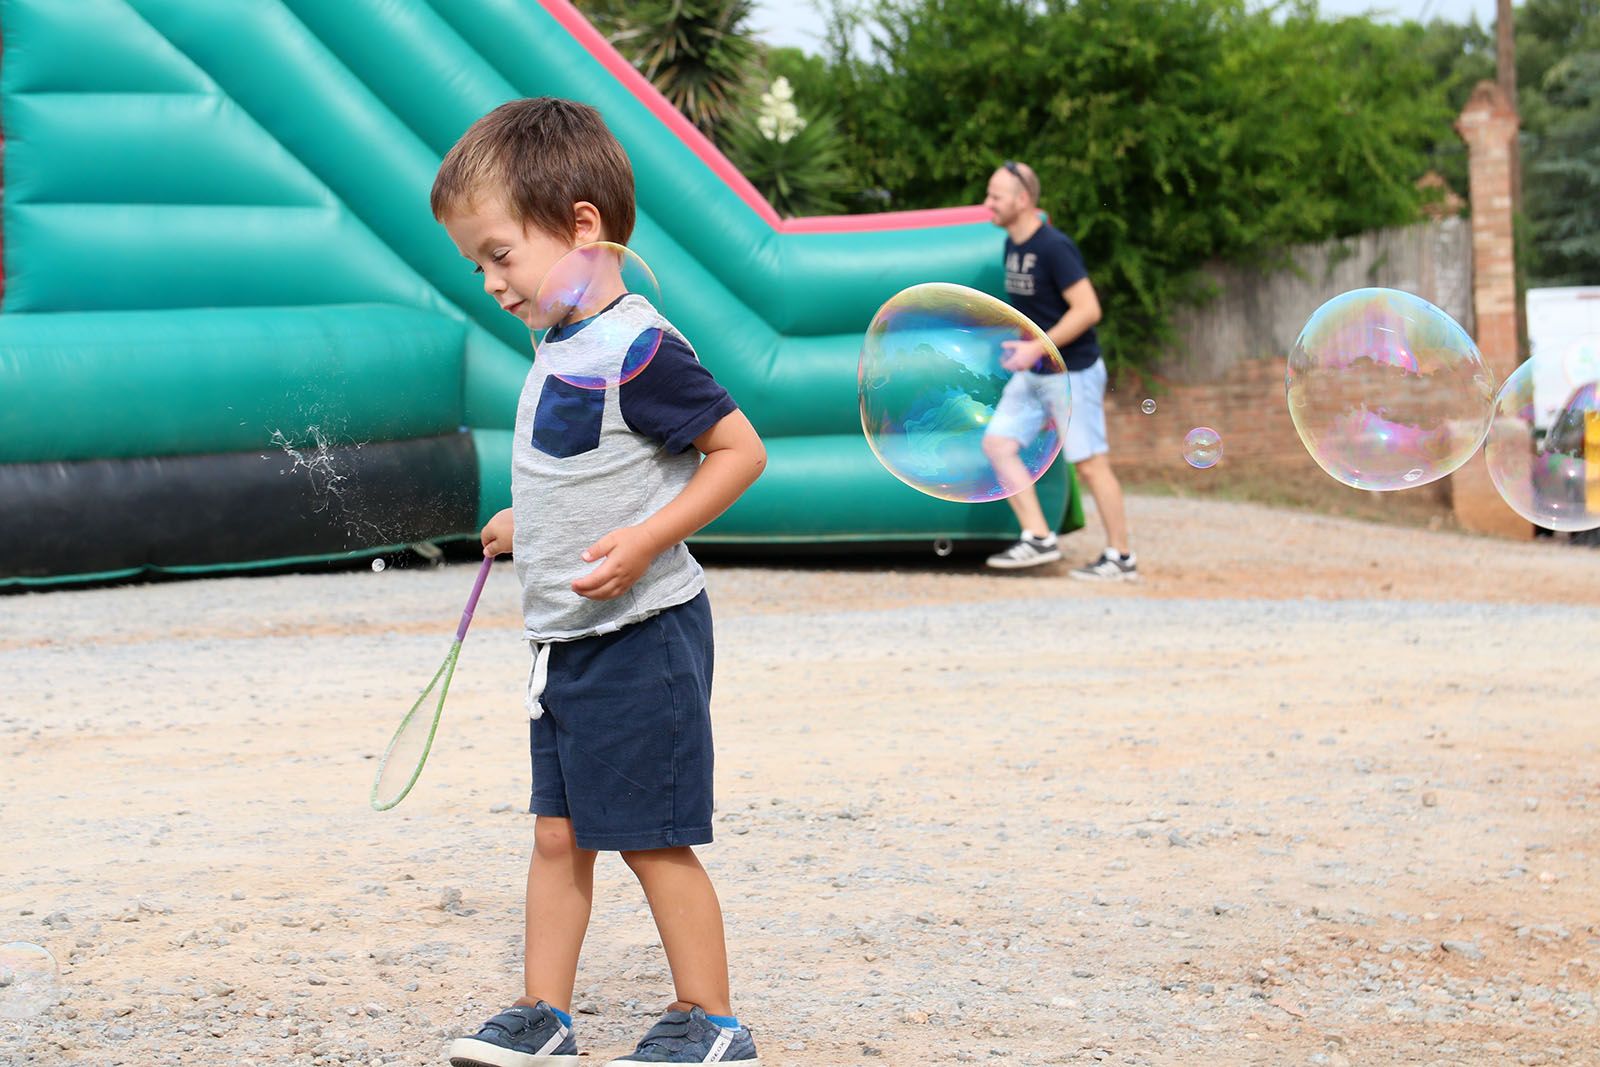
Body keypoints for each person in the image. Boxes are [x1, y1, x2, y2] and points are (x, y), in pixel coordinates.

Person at [430, 97, 766, 1066]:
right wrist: (523, 522)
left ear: (581, 225)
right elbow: (587, 469)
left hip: (643, 632)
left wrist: (645, 539)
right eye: (477, 264)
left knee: (650, 834)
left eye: (499, 254)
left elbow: (739, 452)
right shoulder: (556, 343)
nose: (491, 282)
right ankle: (546, 1011)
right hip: (565, 644)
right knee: (556, 836)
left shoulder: (641, 346)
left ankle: (711, 1017)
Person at [980, 160, 1137, 581]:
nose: (987, 203)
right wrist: (1027, 349)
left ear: (1023, 200)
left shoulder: (1054, 247)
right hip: (1036, 370)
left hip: (1074, 373)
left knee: (1089, 464)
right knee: (998, 444)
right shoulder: (1013, 245)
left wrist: (1036, 347)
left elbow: (1089, 309)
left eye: (995, 196)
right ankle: (1038, 536)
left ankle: (1121, 557)